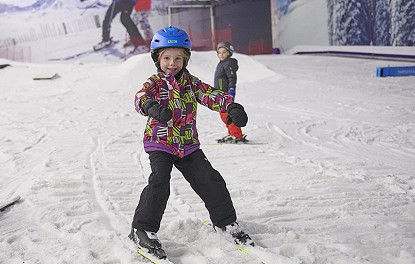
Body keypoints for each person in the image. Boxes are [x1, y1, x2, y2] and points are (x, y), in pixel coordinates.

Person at [128, 26, 252, 259]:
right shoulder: (154, 83)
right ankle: (142, 229)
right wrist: (151, 107)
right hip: (160, 142)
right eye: (166, 58)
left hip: (187, 144)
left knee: (210, 180)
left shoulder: (190, 83)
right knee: (159, 183)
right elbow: (139, 98)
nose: (172, 63)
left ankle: (225, 222)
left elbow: (210, 94)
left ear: (185, 59)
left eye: (178, 58)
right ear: (157, 58)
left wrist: (231, 106)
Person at [214, 41, 247, 143]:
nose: (221, 55)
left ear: (229, 53)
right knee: (224, 115)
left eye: (224, 52)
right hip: (220, 93)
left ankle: (236, 135)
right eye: (219, 52)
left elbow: (232, 78)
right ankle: (232, 133)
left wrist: (231, 91)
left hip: (226, 93)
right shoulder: (222, 64)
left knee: (228, 114)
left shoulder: (228, 64)